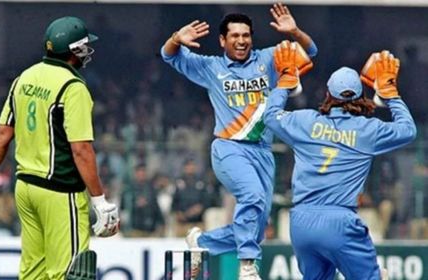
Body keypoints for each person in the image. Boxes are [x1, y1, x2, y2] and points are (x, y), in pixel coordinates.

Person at [0, 16, 120, 279]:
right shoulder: (73, 87)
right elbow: (81, 149)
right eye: (84, 46)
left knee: (33, 273)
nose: (88, 52)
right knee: (70, 273)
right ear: (74, 51)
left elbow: (2, 133)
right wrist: (99, 200)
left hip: (26, 189)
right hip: (60, 191)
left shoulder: (24, 78)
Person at [160, 3, 318, 279]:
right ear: (223, 40)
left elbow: (311, 51)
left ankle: (203, 243)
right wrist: (175, 39)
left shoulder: (269, 59)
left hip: (263, 151)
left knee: (257, 225)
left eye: (246, 35)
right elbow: (168, 55)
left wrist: (295, 32)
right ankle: (247, 264)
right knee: (252, 197)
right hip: (228, 148)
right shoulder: (211, 67)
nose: (241, 40)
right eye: (234, 36)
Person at [263, 43, 416, 279]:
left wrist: (284, 83)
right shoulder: (368, 130)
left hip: (302, 222)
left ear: (327, 95)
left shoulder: (305, 122)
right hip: (340, 222)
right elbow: (408, 130)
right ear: (361, 97)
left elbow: (271, 116)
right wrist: (390, 93)